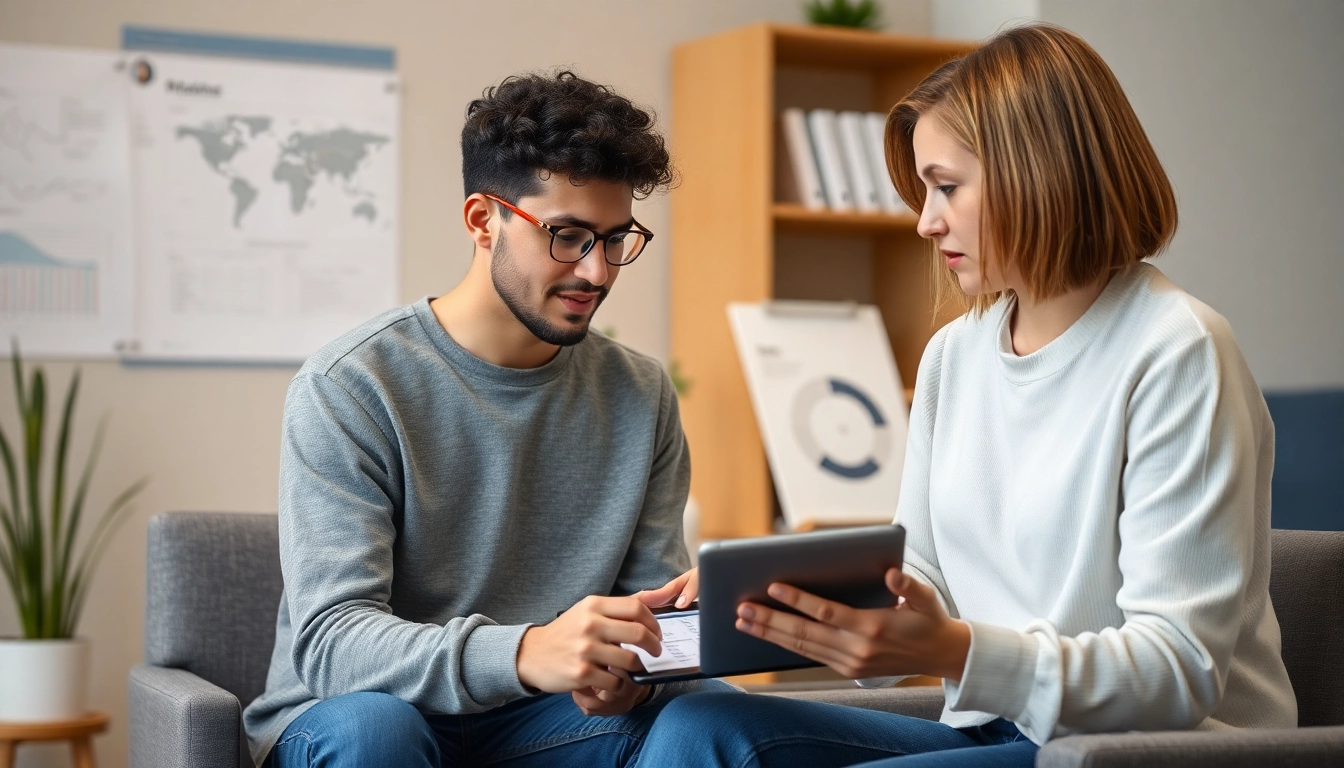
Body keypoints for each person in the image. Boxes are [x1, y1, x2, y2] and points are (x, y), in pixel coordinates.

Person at [632, 23, 1297, 768]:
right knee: (699, 730)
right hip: (993, 729)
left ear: (1039, 174)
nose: (925, 221)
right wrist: (782, 602)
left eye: (946, 186)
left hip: (1147, 748)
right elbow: (919, 580)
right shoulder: (955, 355)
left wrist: (954, 646)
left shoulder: (1178, 351)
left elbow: (1178, 671)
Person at [242, 70, 727, 768]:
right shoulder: (351, 384)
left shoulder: (640, 395)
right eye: (567, 236)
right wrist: (527, 652)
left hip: (543, 725)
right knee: (378, 734)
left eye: (616, 238)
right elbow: (332, 643)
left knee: (704, 722)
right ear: (481, 220)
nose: (597, 272)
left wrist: (644, 670)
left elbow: (649, 629)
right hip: (360, 718)